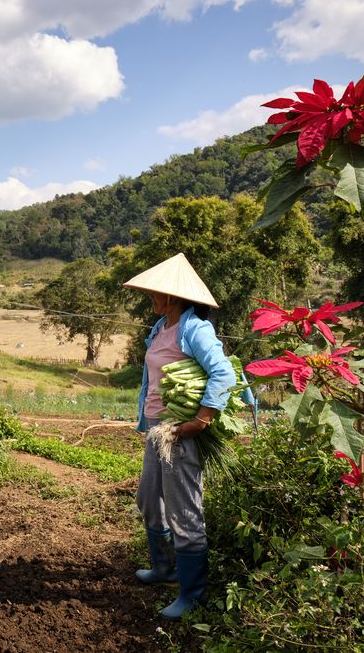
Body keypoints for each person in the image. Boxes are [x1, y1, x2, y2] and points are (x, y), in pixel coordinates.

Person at [123, 252, 238, 620]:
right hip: (158, 428)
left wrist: (200, 421)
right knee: (148, 499)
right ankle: (165, 569)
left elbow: (223, 373)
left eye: (155, 293)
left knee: (183, 509)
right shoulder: (160, 328)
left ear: (172, 297)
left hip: (181, 430)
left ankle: (192, 593)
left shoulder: (194, 329)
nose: (150, 298)